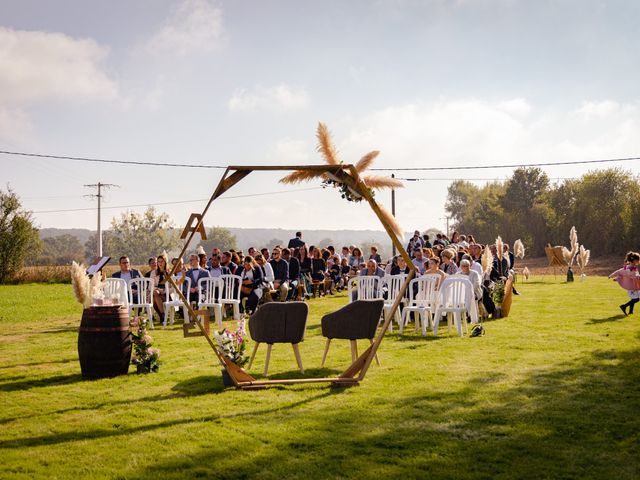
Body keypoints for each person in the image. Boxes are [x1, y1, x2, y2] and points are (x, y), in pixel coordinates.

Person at [609, 251, 640, 316]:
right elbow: (621, 273)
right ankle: (624, 306)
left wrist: (613, 276)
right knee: (636, 299)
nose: (638, 261)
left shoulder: (631, 267)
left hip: (634, 286)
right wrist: (613, 276)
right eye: (638, 260)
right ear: (634, 260)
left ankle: (631, 312)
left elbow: (620, 272)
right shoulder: (629, 269)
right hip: (632, 286)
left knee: (633, 298)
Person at [150, 253, 169, 318]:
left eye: (162, 261)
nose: (160, 263)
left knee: (154, 298)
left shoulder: (169, 272)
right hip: (157, 293)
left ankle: (162, 316)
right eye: (158, 261)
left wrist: (163, 291)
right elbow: (150, 286)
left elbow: (173, 287)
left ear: (165, 262)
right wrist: (157, 289)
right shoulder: (153, 272)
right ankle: (163, 315)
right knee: (155, 294)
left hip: (167, 294)